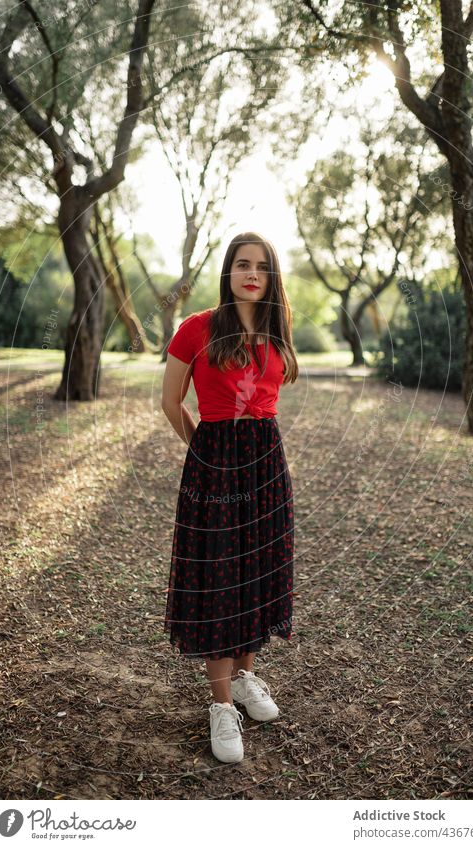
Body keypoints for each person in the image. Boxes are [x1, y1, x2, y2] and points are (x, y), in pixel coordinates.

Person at [161, 232, 298, 764]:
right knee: (217, 573)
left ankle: (245, 677)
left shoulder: (275, 331)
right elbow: (171, 402)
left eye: (262, 267)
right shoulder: (196, 328)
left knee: (256, 571)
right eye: (243, 264)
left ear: (271, 277)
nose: (251, 273)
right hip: (215, 458)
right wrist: (204, 449)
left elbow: (270, 399)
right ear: (228, 271)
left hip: (266, 459)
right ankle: (221, 705)